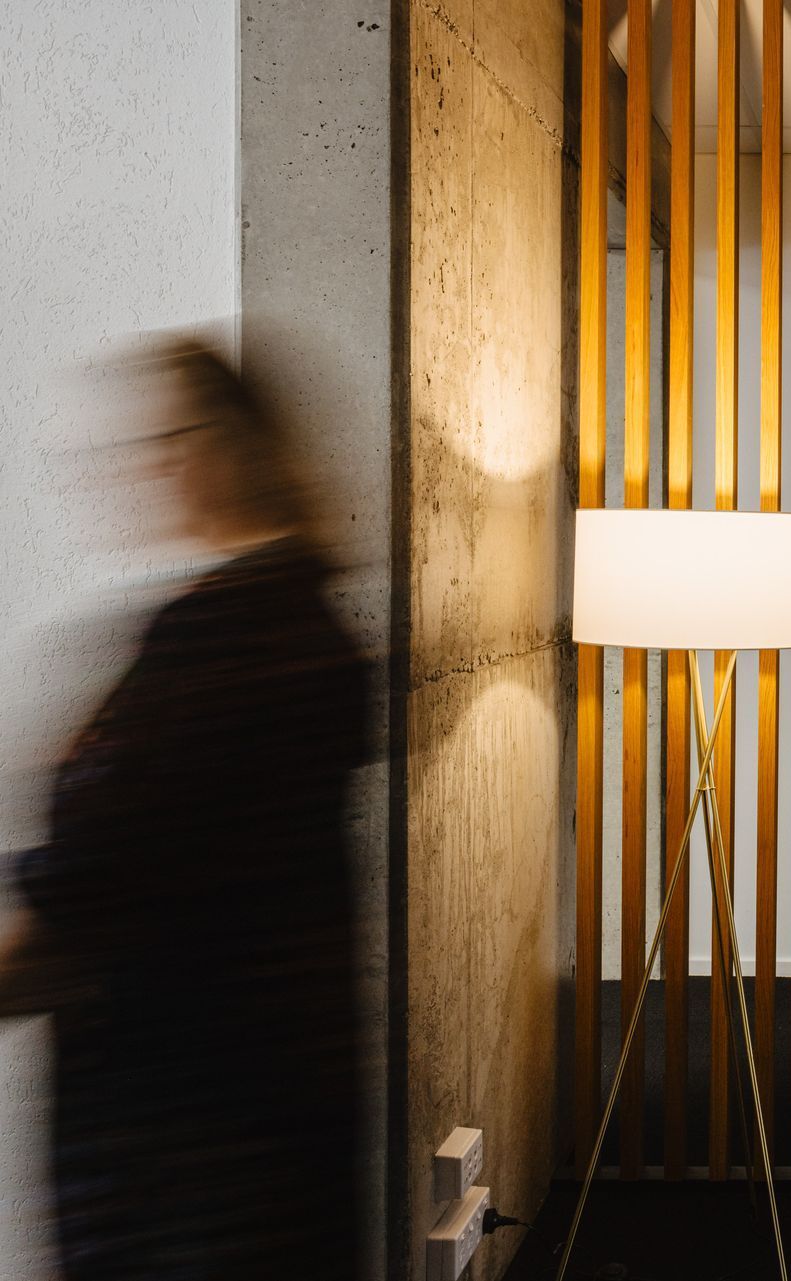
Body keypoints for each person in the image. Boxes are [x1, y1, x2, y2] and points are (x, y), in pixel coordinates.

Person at [0, 338, 368, 1279]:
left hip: (184, 1155)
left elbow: (89, 882)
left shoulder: (219, 646)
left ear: (228, 444)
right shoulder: (302, 622)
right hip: (274, 1117)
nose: (141, 467)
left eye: (165, 439)